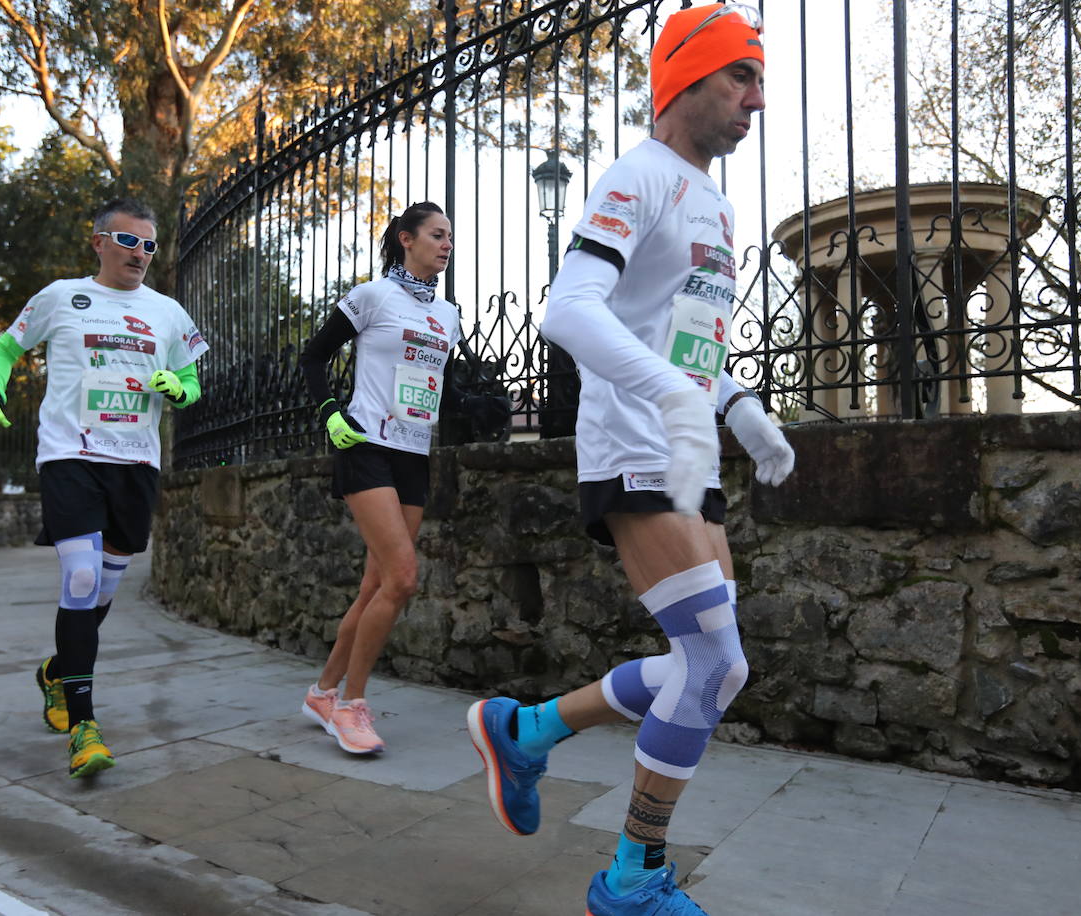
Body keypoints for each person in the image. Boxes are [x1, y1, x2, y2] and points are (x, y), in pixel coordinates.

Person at [465, 5, 794, 914]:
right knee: (716, 662)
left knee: (708, 666)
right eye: (741, 77)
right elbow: (567, 309)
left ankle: (527, 731)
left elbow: (690, 347)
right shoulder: (637, 175)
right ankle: (632, 877)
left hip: (689, 454)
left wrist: (739, 406)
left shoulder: (720, 205)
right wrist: (676, 397)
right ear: (685, 77)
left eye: (758, 82)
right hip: (633, 448)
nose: (756, 101)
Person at [0, 198, 208, 778]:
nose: (140, 255)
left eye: (150, 246)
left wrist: (177, 390)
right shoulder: (61, 296)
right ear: (99, 241)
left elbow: (191, 379)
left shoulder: (168, 313)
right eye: (129, 242)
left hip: (135, 462)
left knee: (100, 593)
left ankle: (58, 672)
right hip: (69, 455)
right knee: (79, 578)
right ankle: (84, 725)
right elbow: (6, 347)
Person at [298, 202, 508, 755]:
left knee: (375, 586)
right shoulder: (372, 297)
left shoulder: (448, 314)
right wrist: (329, 414)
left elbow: (439, 386)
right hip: (365, 444)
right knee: (403, 578)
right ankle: (352, 706)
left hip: (414, 453)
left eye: (451, 237)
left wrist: (476, 404)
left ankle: (322, 693)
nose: (447, 244)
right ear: (405, 239)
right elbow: (313, 357)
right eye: (438, 235)